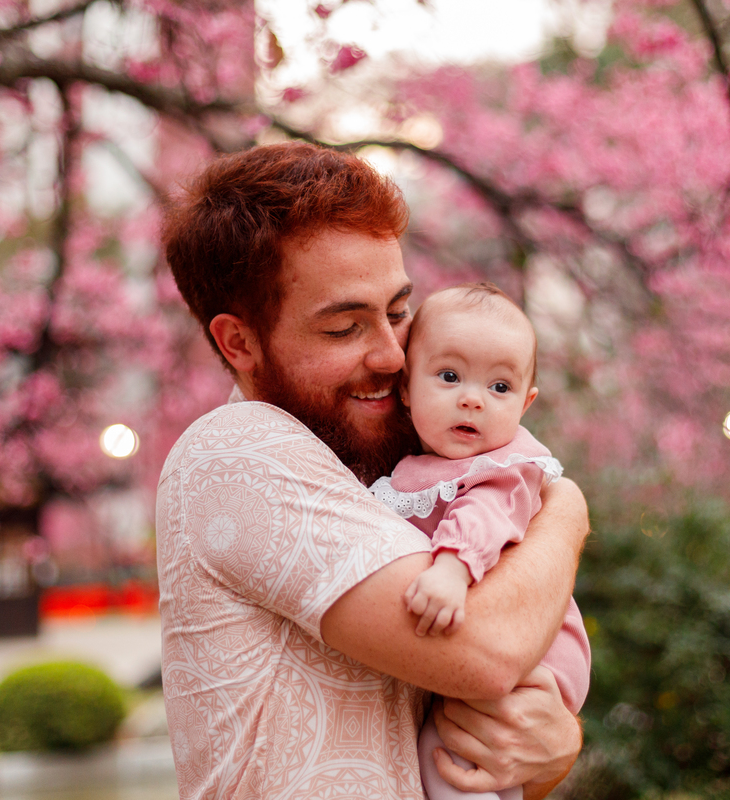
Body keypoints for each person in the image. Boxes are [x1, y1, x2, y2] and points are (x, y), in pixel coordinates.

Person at [156, 141, 589, 800]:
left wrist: (545, 748)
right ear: (238, 342)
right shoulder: (237, 452)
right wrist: (566, 511)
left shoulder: (383, 470)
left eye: (396, 311)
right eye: (344, 329)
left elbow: (469, 725)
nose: (392, 355)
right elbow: (488, 653)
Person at [368, 283, 591, 800]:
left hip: (540, 652)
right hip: (502, 649)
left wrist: (452, 569)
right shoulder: (425, 467)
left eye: (500, 388)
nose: (472, 398)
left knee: (445, 752)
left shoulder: (504, 469)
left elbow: (485, 517)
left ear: (526, 403)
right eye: (449, 377)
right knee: (474, 756)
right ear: (405, 387)